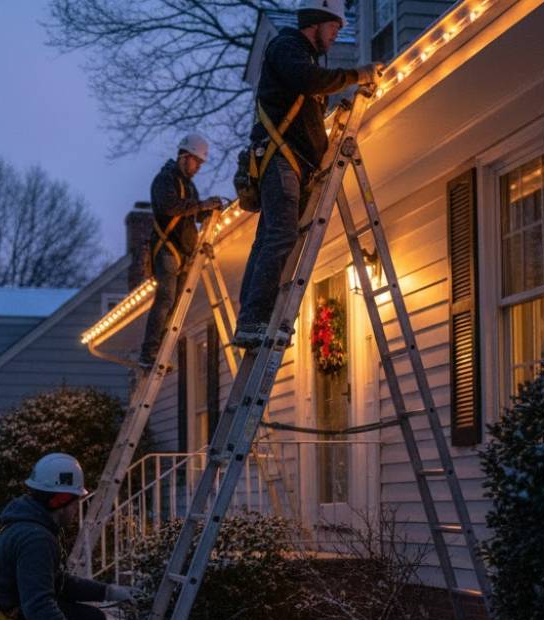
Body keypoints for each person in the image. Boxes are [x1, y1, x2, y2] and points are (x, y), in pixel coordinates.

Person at [232, 0, 383, 348]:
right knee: (280, 237)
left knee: (269, 239)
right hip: (282, 162)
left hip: (291, 164)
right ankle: (255, 318)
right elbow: (309, 80)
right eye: (334, 29)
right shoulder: (287, 48)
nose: (335, 37)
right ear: (315, 23)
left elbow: (309, 96)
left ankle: (252, 318)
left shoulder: (302, 58)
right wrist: (356, 75)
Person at [0, 453, 136, 620]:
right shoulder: (35, 538)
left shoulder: (30, 525)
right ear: (60, 501)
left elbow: (56, 583)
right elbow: (38, 607)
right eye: (75, 502)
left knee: (91, 619)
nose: (76, 510)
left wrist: (107, 592)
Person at [138, 134, 224, 371]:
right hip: (167, 248)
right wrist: (202, 205)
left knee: (175, 305)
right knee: (165, 298)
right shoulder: (165, 181)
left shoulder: (189, 186)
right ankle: (149, 352)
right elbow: (170, 207)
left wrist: (209, 212)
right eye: (196, 162)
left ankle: (161, 352)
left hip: (185, 253)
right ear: (185, 157)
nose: (198, 167)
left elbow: (193, 214)